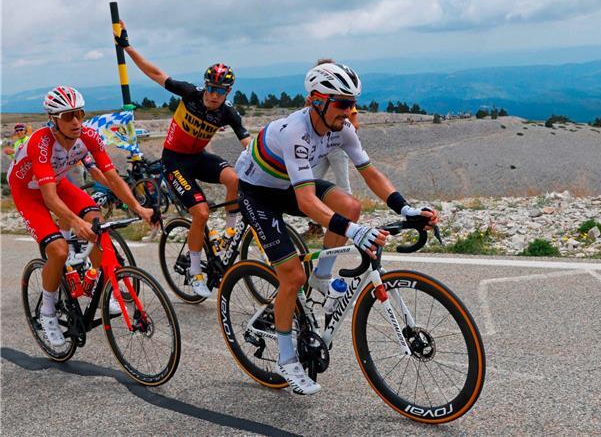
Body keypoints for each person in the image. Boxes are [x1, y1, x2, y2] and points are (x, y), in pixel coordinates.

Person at [234, 61, 438, 394]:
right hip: (258, 193)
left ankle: (322, 276)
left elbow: (370, 173)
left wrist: (406, 207)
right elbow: (306, 203)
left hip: (288, 182)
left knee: (350, 205)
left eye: (353, 103)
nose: (350, 110)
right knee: (291, 276)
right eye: (343, 103)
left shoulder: (343, 129)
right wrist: (355, 231)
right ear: (317, 100)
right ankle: (287, 360)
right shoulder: (295, 132)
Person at [8, 86, 156, 347]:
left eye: (79, 113)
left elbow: (111, 176)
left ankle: (99, 286)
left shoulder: (88, 135)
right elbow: (50, 199)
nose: (76, 121)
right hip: (28, 191)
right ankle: (48, 313)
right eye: (68, 116)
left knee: (96, 222)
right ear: (53, 120)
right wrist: (75, 222)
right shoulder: (41, 143)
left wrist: (138, 207)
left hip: (57, 182)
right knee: (58, 251)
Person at [115, 21, 251, 297]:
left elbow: (248, 146)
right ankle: (194, 268)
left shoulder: (228, 114)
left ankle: (228, 234)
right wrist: (127, 47)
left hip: (199, 158)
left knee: (235, 179)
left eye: (220, 91)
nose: (214, 95)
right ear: (205, 86)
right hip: (175, 161)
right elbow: (156, 74)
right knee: (200, 213)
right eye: (211, 88)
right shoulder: (190, 94)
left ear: (228, 92)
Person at [305, 59, 360, 237]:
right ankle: (316, 225)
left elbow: (354, 123)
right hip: (322, 147)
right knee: (311, 182)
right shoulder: (319, 98)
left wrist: (344, 136)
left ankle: (347, 227)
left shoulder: (342, 100)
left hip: (337, 147)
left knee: (343, 185)